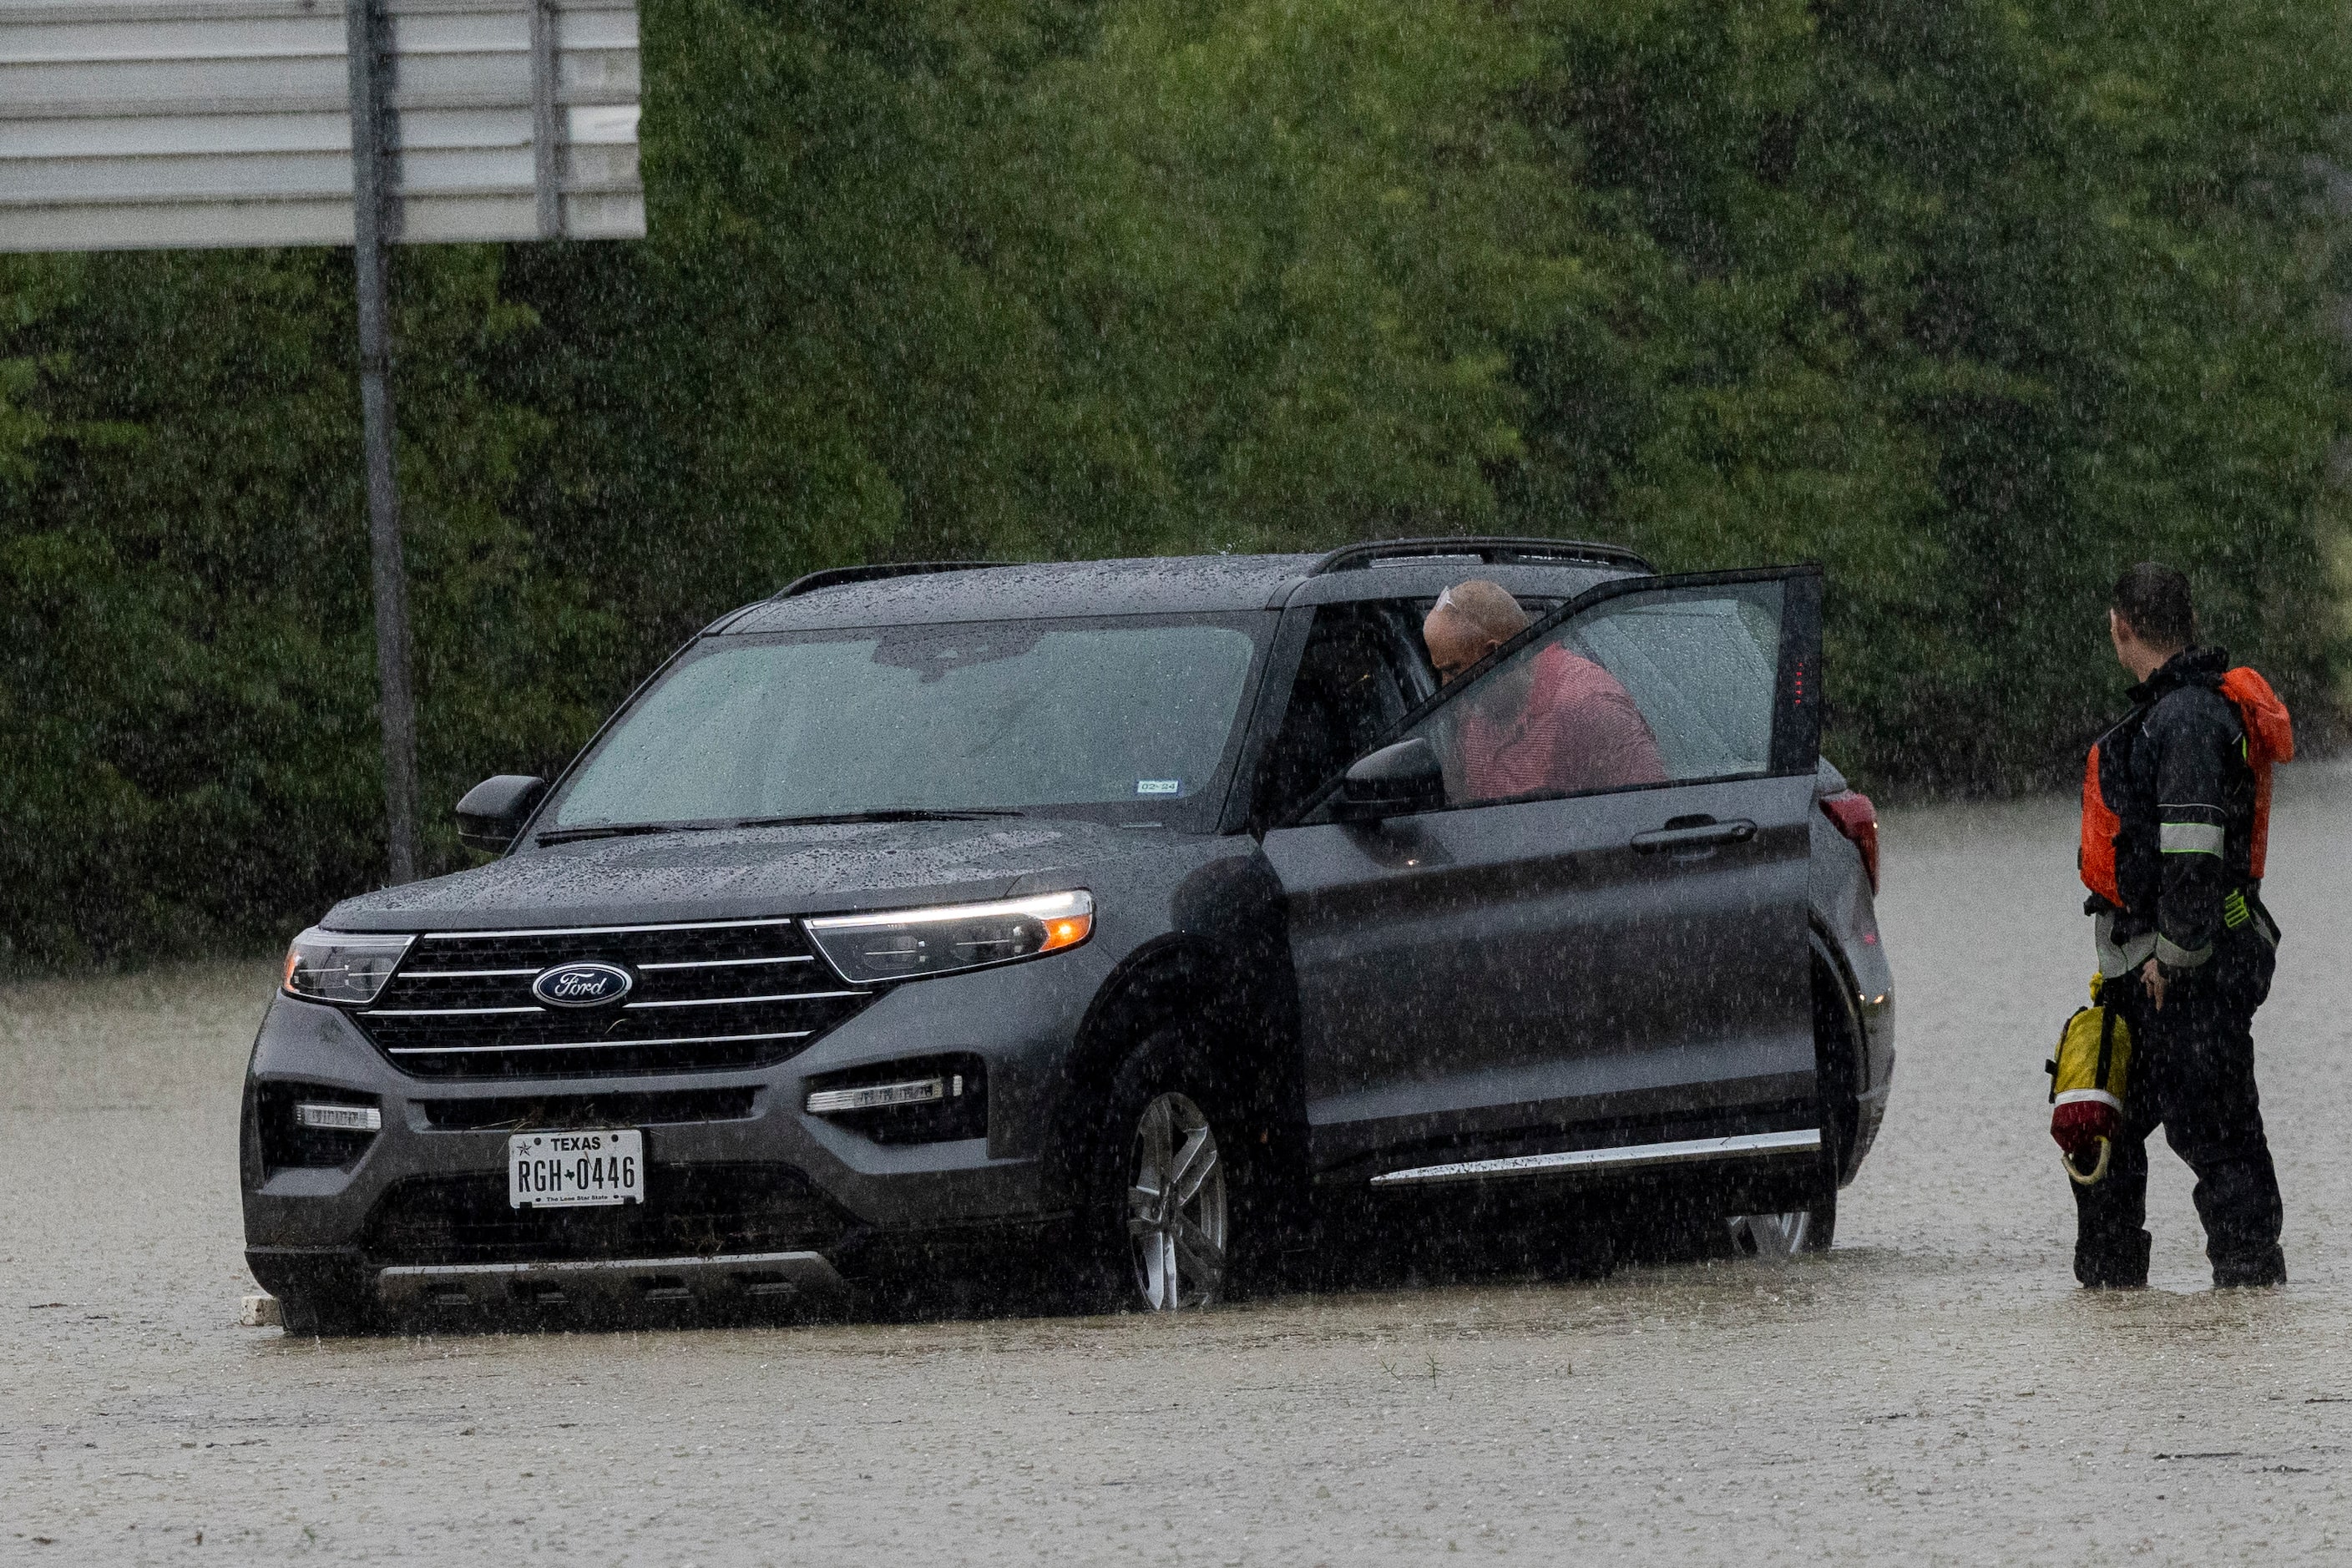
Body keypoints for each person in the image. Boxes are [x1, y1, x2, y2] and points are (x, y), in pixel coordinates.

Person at [2071, 562, 2291, 1289]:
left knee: (2222, 1153)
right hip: (2145, 977)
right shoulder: (2174, 713)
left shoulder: (2187, 719)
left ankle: (2249, 1301)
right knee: (2096, 1135)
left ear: (2118, 625)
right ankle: (2115, 1314)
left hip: (2186, 980)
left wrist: (2173, 955)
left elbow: (2193, 857)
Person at [1420, 579, 1666, 800]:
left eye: (1453, 670)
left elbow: (1652, 812)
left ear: (1495, 655)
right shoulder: (1474, 709)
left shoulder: (1588, 704)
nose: (1446, 686)